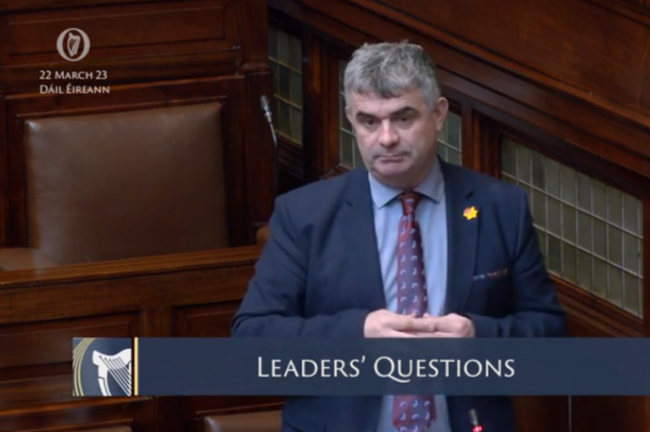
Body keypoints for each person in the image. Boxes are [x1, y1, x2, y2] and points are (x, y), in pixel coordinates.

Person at [231, 41, 566, 432]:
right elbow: (251, 341)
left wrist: (480, 336)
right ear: (350, 119)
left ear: (439, 114)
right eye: (369, 121)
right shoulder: (304, 215)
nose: (386, 138)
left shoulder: (499, 207)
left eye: (403, 118)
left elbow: (550, 339)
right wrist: (357, 334)